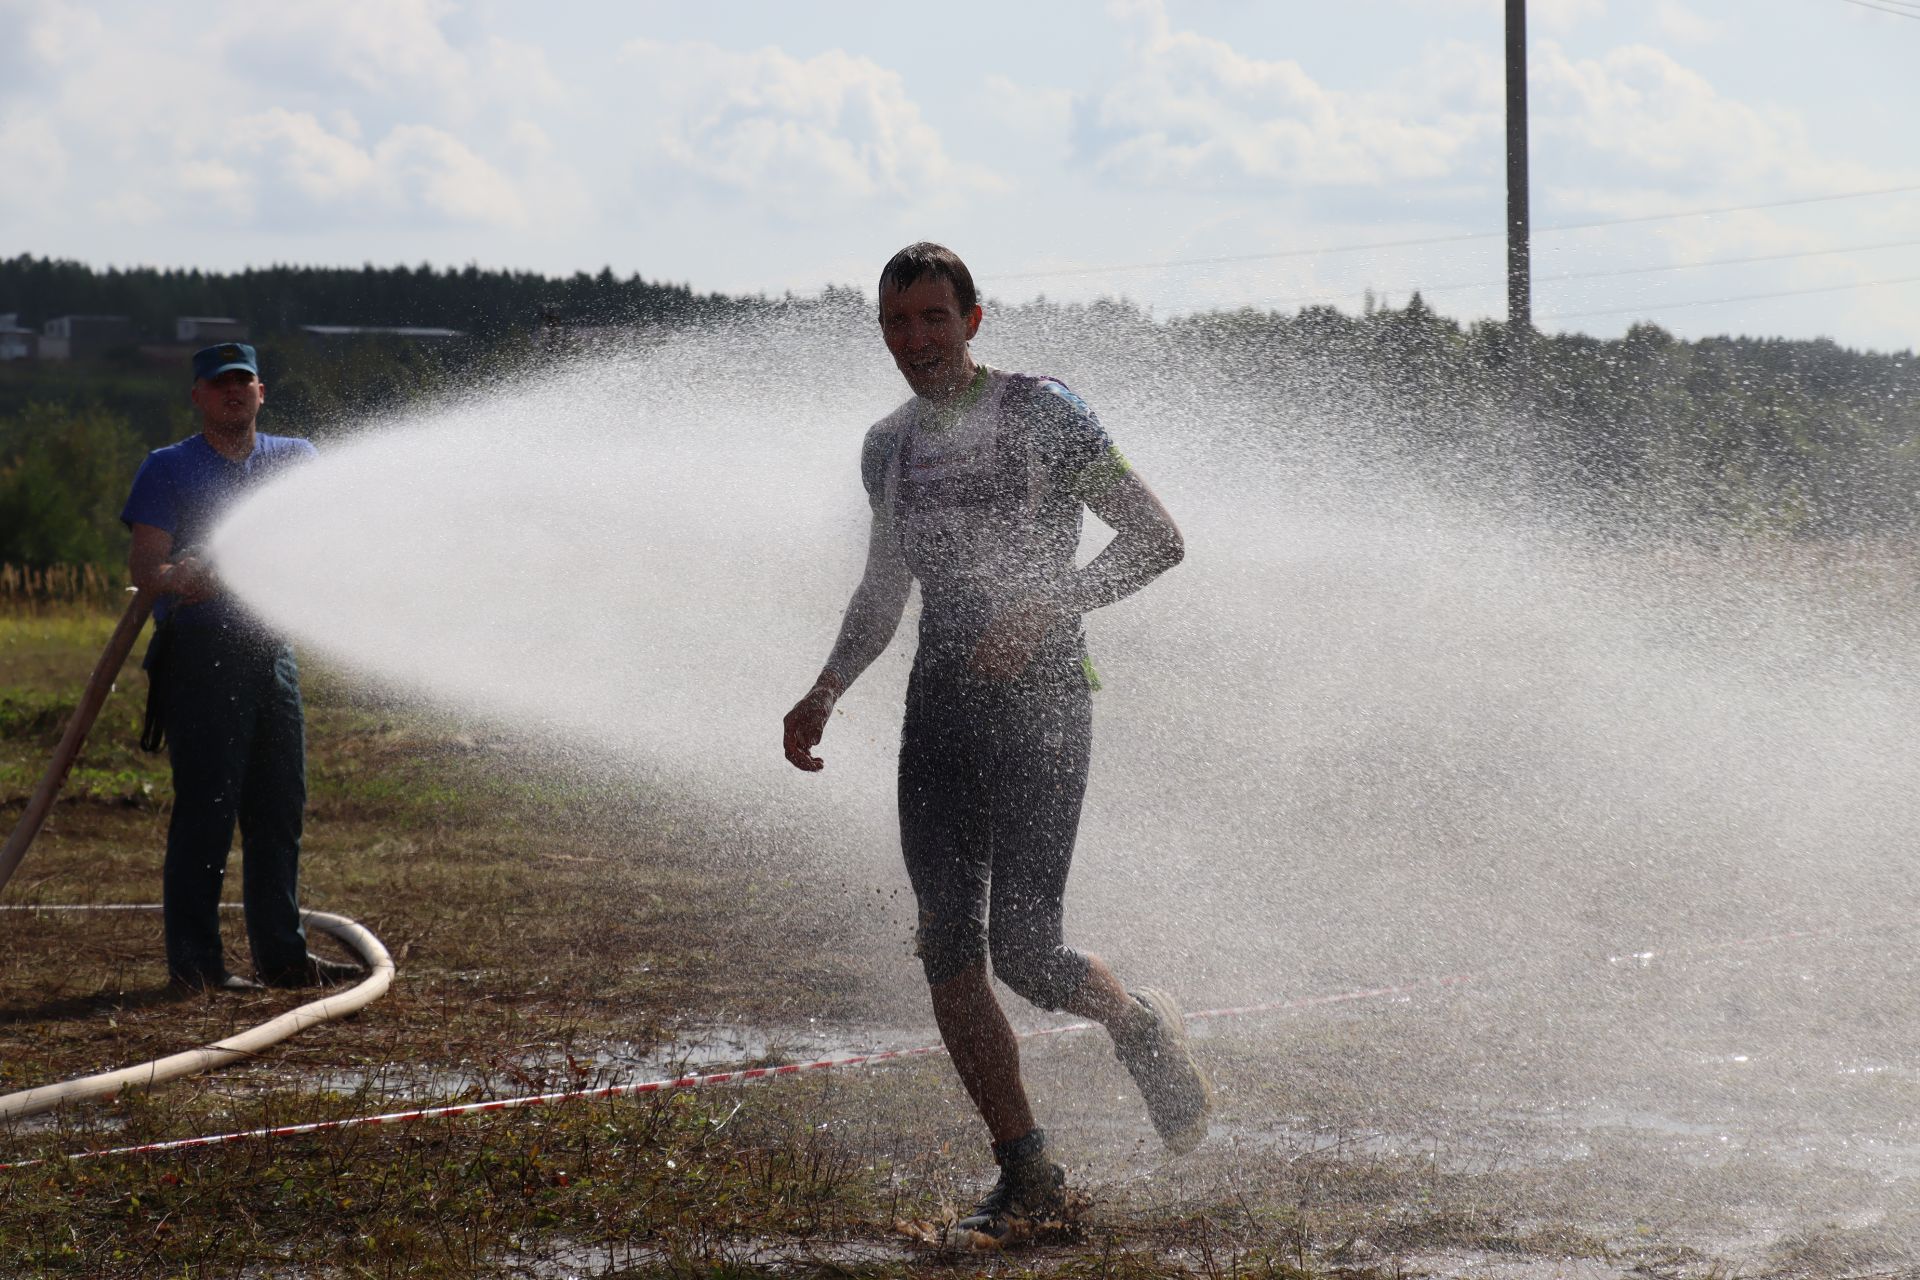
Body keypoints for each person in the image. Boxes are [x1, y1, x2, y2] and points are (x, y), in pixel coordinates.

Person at [782, 243, 1211, 1249]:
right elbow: (885, 588)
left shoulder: (1044, 411)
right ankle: (1028, 1172)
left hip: (1047, 698)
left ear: (974, 320)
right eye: (897, 323)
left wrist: (1048, 602)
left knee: (1025, 946)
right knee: (945, 939)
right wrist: (827, 686)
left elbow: (1157, 537)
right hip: (940, 708)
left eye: (934, 318)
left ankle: (1140, 1026)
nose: (916, 341)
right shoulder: (887, 445)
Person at [122, 342, 361, 994]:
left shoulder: (296, 459)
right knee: (207, 810)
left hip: (270, 653)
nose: (232, 392)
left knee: (279, 808)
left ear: (261, 392)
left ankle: (283, 959)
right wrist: (177, 579)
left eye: (243, 382)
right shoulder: (167, 468)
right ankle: (197, 966)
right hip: (199, 655)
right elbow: (145, 568)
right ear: (197, 395)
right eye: (217, 383)